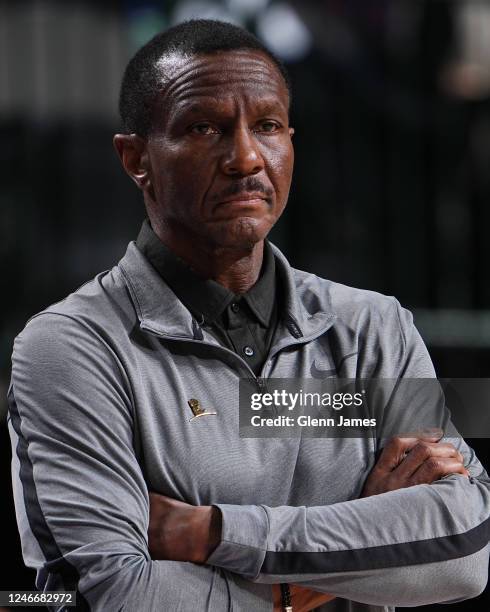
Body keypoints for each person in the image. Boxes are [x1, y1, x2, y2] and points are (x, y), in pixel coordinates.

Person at [7, 19, 490, 612]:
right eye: (203, 127)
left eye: (266, 126)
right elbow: (106, 593)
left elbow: (462, 550)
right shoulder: (71, 348)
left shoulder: (375, 329)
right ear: (135, 158)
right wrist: (312, 582)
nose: (244, 158)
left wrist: (211, 532)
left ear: (291, 140)